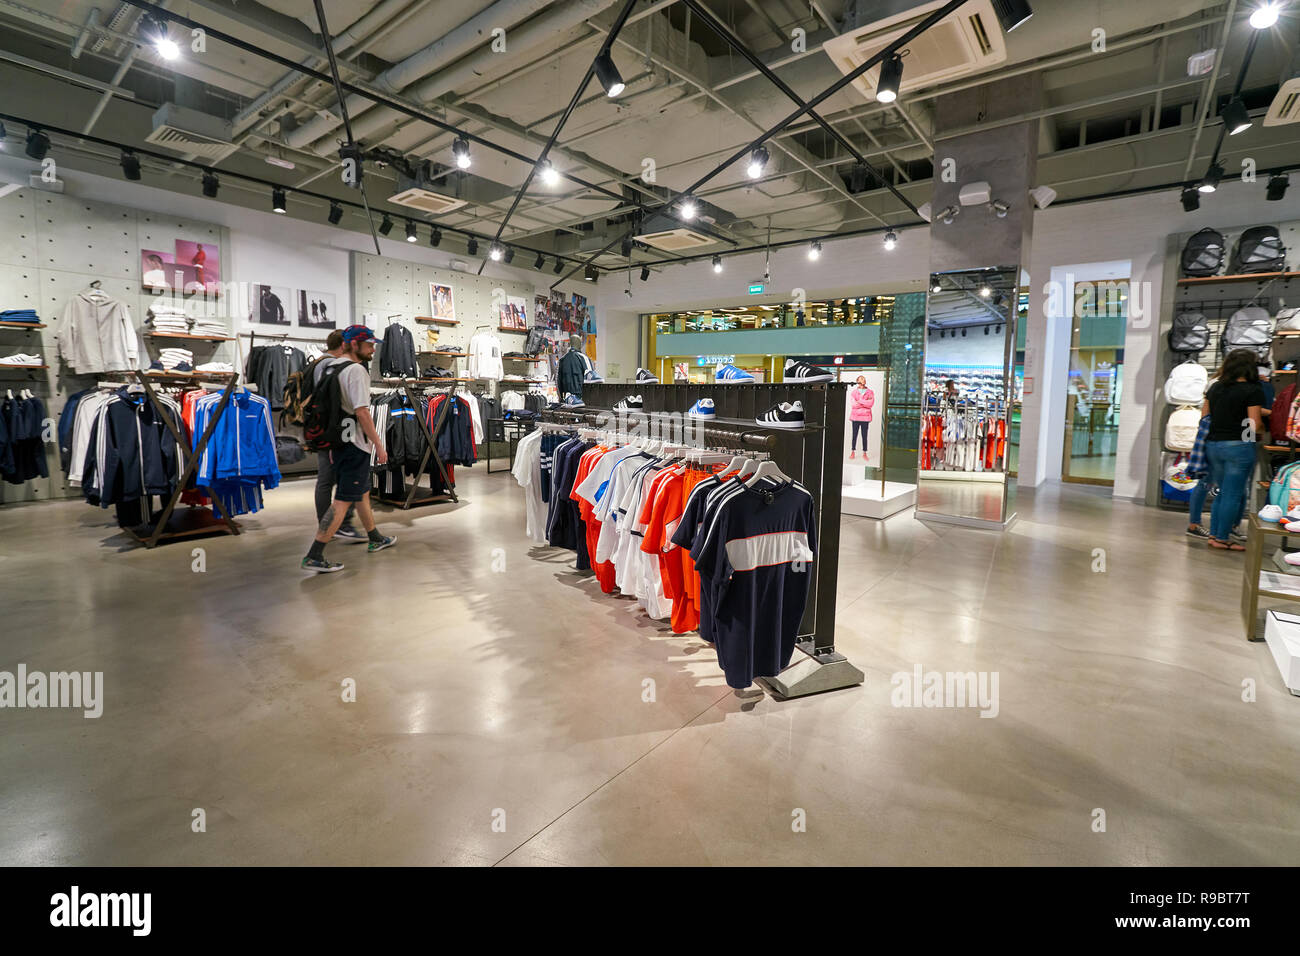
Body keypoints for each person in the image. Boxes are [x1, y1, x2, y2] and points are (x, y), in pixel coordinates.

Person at [302, 325, 395, 572]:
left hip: (337, 442)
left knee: (361, 493)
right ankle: (314, 554)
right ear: (354, 344)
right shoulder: (356, 371)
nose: (372, 348)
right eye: (368, 344)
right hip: (354, 444)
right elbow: (362, 411)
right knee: (343, 501)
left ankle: (375, 537)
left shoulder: (331, 365)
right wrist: (378, 443)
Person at [1203, 349, 1266, 552]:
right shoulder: (1252, 390)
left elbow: (1204, 418)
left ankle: (1214, 535)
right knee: (1232, 494)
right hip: (1238, 446)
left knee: (1221, 493)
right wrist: (1263, 428)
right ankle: (1222, 538)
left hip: (1213, 444)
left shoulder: (1215, 388)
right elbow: (1253, 424)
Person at [312, 330, 361, 540]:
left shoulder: (319, 363)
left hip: (323, 428)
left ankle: (328, 525)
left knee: (326, 479)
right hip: (336, 430)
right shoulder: (333, 365)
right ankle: (335, 525)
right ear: (343, 345)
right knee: (338, 478)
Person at [849, 376, 874, 460]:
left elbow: (870, 404)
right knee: (854, 435)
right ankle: (852, 452)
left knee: (864, 436)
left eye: (864, 379)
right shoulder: (854, 392)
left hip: (865, 418)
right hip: (855, 417)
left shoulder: (870, 392)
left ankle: (864, 453)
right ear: (857, 381)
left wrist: (859, 401)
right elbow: (853, 405)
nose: (863, 380)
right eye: (861, 379)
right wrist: (864, 403)